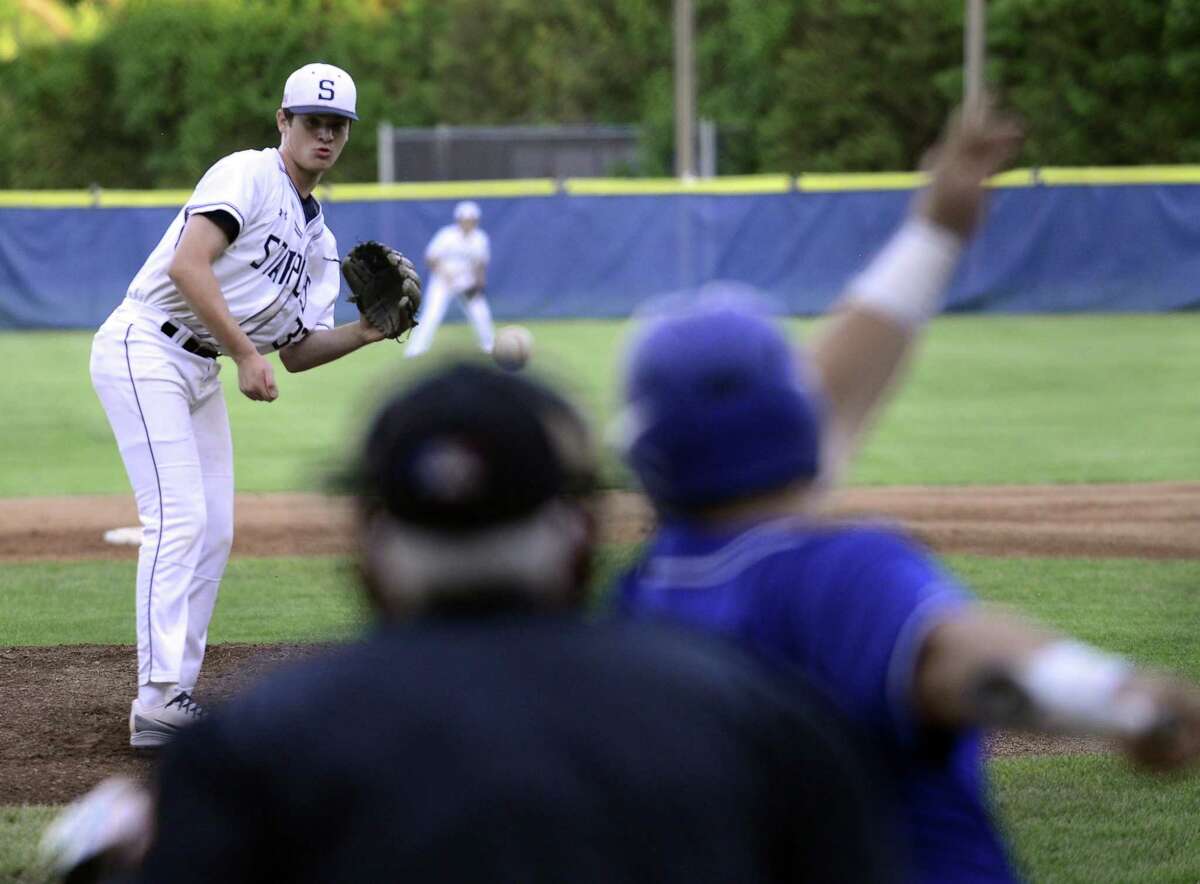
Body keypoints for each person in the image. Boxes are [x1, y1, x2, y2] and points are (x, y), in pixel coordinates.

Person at [613, 105, 1200, 883]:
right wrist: (1117, 699)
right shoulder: (832, 576)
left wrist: (937, 228)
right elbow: (959, 654)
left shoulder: (640, 600)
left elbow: (821, 394)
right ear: (791, 424)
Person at [42, 363, 900, 884]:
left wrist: (106, 863)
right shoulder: (757, 718)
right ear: (583, 543)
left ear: (367, 557)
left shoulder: (252, 747)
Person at [88, 62, 417, 749]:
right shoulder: (248, 174)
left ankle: (174, 694)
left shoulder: (320, 242)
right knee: (178, 518)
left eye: (337, 126)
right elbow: (188, 264)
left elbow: (296, 350)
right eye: (311, 121)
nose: (324, 134)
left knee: (214, 530)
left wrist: (366, 331)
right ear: (283, 122)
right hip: (145, 343)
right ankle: (155, 700)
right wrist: (243, 352)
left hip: (200, 364)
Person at [404, 200, 494, 357]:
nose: (468, 222)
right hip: (442, 280)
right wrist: (446, 275)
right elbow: (431, 258)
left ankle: (489, 346)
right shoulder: (447, 235)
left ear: (476, 220)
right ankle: (416, 350)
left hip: (466, 280)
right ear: (459, 219)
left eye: (471, 219)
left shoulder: (480, 238)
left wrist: (479, 283)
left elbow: (480, 263)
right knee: (432, 314)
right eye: (465, 219)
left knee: (480, 312)